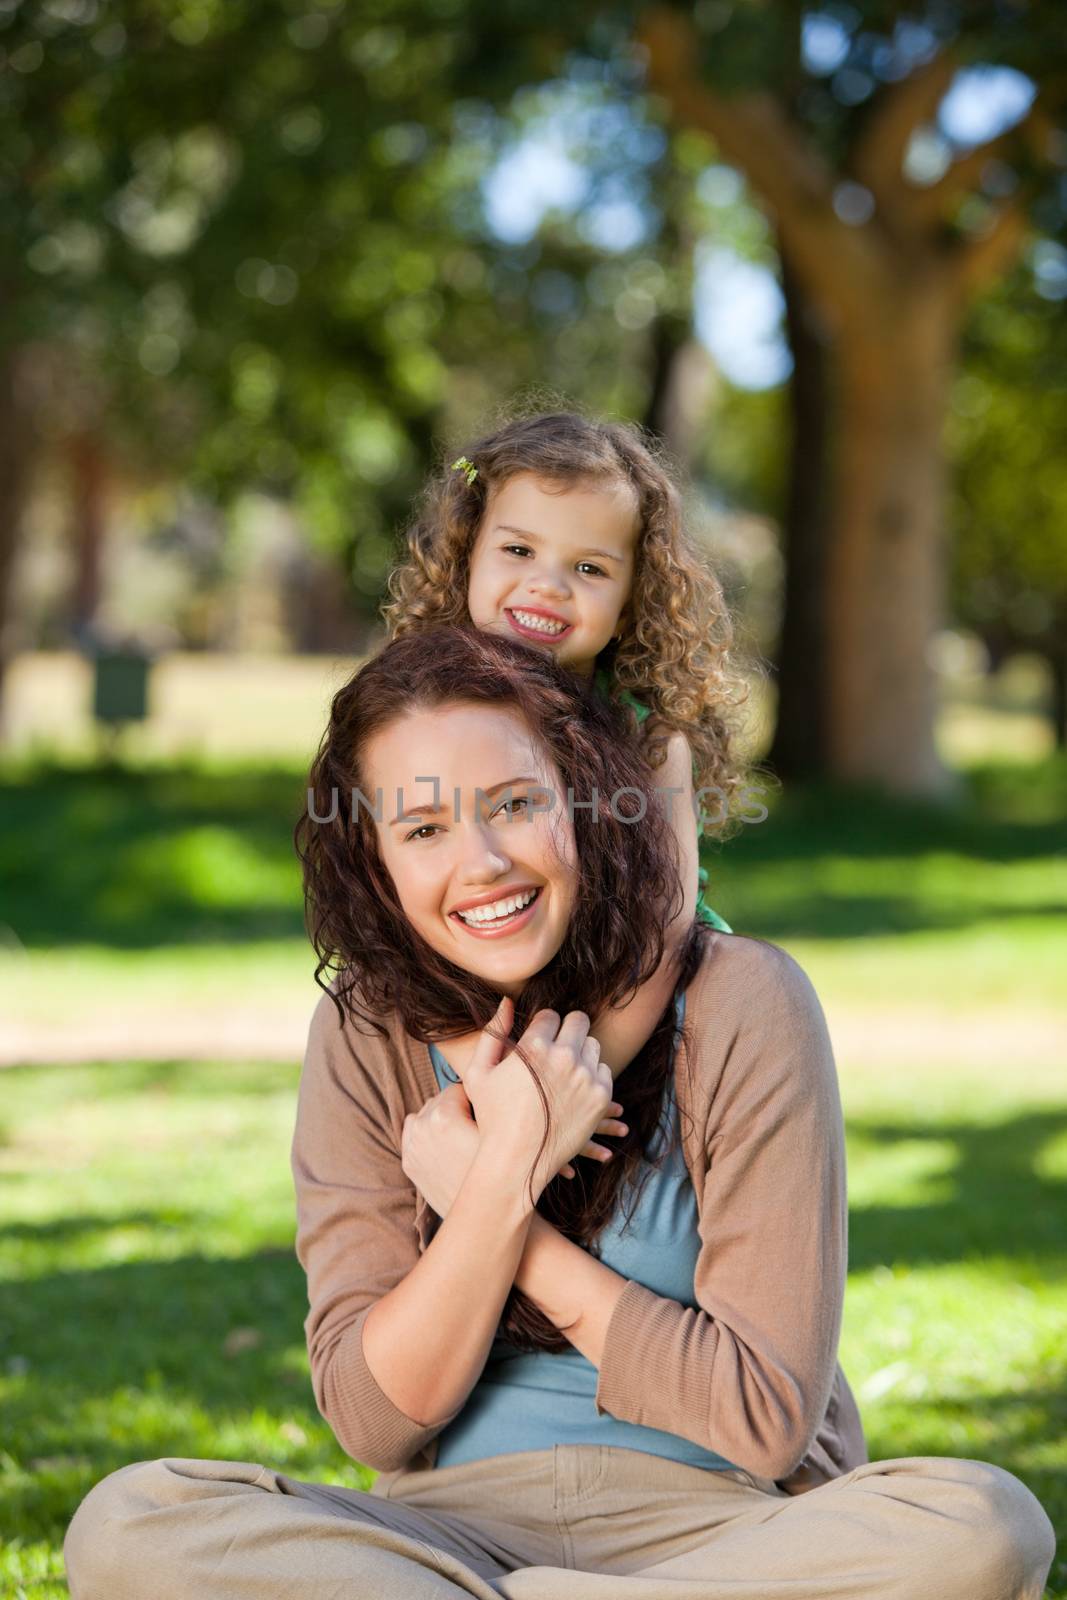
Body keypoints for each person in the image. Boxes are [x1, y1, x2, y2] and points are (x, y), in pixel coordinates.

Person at [63, 626, 1056, 1600]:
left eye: (514, 803)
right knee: (130, 1526)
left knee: (978, 1529)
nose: (483, 859)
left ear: (582, 804)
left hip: (727, 1526)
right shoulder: (365, 1035)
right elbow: (373, 1420)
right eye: (422, 828)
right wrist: (504, 1175)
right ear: (374, 863)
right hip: (443, 1535)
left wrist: (504, 1202)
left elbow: (762, 1418)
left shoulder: (741, 1002)